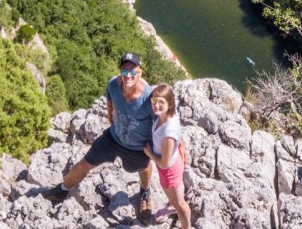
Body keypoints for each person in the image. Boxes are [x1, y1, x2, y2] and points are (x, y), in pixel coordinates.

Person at [41, 51, 155, 224]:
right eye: (124, 71)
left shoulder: (149, 98)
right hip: (113, 138)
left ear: (140, 72)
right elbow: (110, 103)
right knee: (85, 163)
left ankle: (145, 191)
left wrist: (176, 143)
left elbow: (165, 119)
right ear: (120, 71)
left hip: (137, 147)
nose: (128, 75)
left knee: (144, 167)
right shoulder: (114, 85)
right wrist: (111, 120)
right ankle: (61, 190)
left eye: (133, 71)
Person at [144, 83, 191, 228]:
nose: (156, 105)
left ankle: (185, 225)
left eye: (161, 102)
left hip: (169, 170)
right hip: (173, 161)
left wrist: (149, 153)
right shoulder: (168, 114)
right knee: (176, 196)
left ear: (169, 103)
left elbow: (164, 164)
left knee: (180, 205)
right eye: (154, 100)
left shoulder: (168, 130)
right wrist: (181, 143)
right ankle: (171, 206)